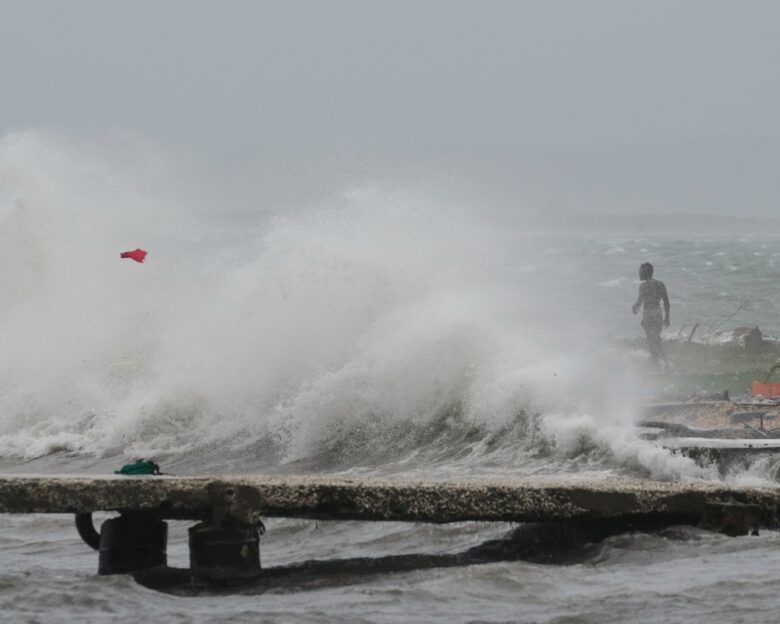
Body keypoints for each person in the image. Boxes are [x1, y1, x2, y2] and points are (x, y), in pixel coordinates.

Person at [632, 262, 670, 366]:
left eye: (640, 272)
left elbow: (640, 302)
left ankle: (657, 364)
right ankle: (665, 364)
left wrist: (635, 307)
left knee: (652, 341)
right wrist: (667, 317)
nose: (639, 274)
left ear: (645, 273)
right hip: (658, 314)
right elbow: (666, 302)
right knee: (657, 340)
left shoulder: (643, 286)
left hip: (648, 315)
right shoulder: (660, 284)